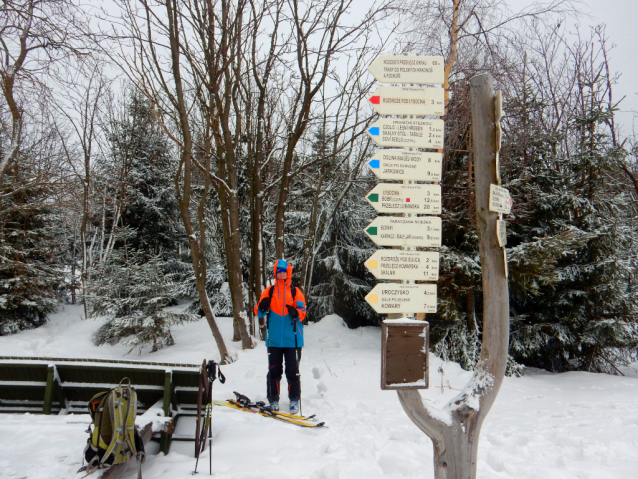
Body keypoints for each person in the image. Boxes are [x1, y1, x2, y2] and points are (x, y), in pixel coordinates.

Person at [254, 259, 306, 414]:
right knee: (274, 371)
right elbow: (258, 312)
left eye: (284, 271)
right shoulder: (269, 291)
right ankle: (273, 400)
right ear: (275, 274)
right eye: (279, 272)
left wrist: (296, 313)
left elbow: (303, 312)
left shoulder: (296, 292)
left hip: (293, 340)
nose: (282, 274)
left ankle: (294, 400)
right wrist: (262, 307)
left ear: (288, 273)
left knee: (293, 371)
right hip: (274, 340)